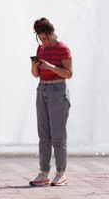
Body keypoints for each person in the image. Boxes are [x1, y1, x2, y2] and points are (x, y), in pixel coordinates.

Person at [29, 18, 72, 187]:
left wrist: (50, 66)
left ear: (52, 33)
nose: (43, 42)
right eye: (40, 39)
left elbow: (69, 73)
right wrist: (35, 65)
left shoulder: (63, 48)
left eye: (46, 38)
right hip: (42, 90)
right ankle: (43, 172)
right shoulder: (41, 48)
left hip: (58, 91)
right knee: (44, 135)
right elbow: (36, 74)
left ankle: (61, 173)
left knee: (58, 136)